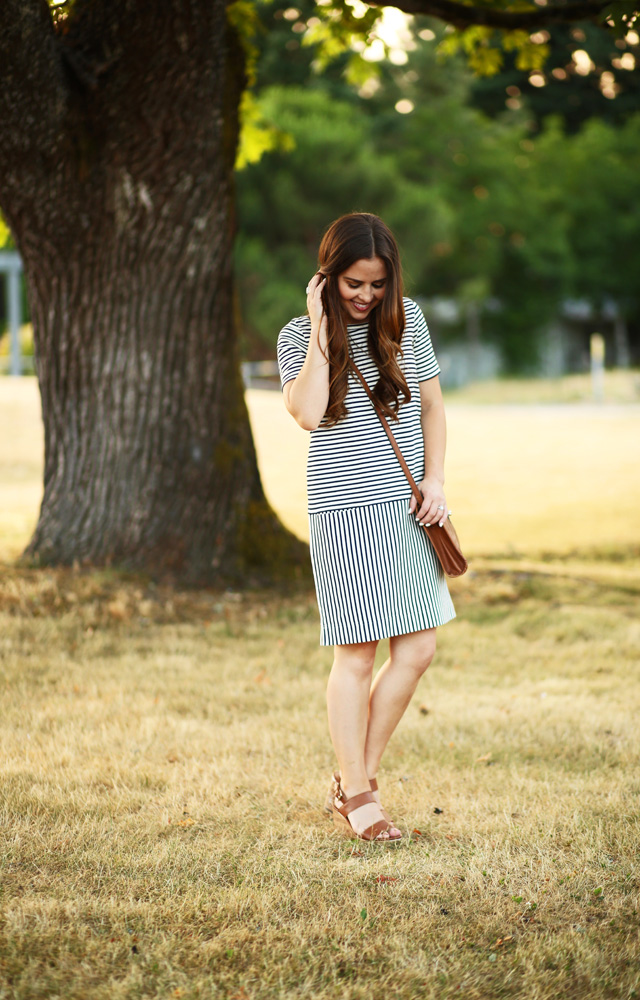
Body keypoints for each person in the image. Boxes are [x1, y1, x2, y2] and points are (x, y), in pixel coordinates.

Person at [276, 213, 456, 845]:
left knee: (419, 648)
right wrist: (323, 328)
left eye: (377, 285)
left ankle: (359, 778)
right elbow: (304, 413)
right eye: (354, 283)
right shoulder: (299, 334)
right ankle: (358, 795)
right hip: (343, 511)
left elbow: (432, 405)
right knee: (357, 653)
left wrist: (435, 483)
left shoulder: (409, 323)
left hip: (409, 506)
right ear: (329, 276)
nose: (366, 296)